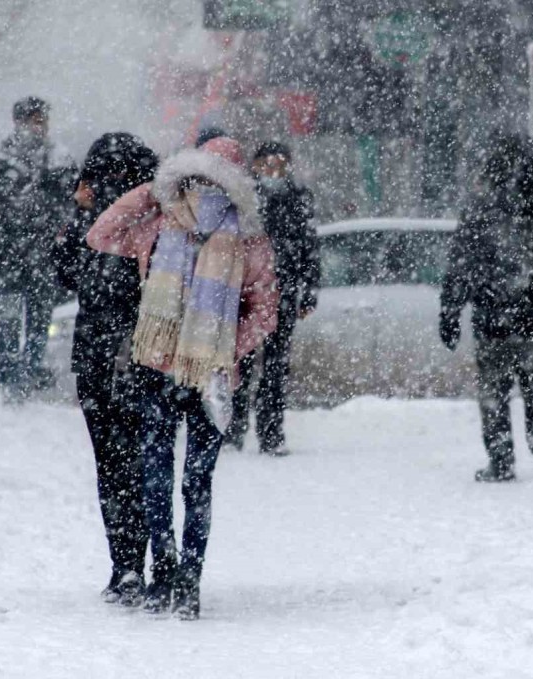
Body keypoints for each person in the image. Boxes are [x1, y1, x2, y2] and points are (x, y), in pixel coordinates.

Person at [87, 136, 279, 620]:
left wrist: (218, 349)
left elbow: (103, 232)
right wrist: (223, 350)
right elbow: (101, 234)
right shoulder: (179, 224)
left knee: (165, 476)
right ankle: (183, 577)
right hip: (188, 374)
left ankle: (172, 575)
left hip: (177, 372)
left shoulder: (174, 225)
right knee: (191, 481)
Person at [51, 133, 159, 606]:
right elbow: (65, 273)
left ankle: (128, 563)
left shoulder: (111, 223)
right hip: (138, 354)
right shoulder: (154, 218)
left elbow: (64, 274)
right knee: (138, 462)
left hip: (109, 354)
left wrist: (78, 213)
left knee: (115, 465)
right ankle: (145, 561)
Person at [439, 134, 533, 483]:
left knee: (494, 394)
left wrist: (450, 311)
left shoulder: (480, 211)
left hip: (493, 318)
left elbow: (460, 266)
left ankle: (500, 459)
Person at [0, 96, 78, 400]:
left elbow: (73, 200)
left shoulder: (58, 157)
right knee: (11, 317)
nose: (39, 127)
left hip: (41, 254)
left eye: (42, 120)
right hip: (7, 253)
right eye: (34, 120)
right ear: (19, 122)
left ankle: (28, 370)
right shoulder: (0, 158)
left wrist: (62, 222)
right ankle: (11, 373)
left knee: (39, 320)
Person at [224, 141, 319, 456]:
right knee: (242, 363)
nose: (273, 172)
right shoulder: (244, 199)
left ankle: (271, 433)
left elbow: (310, 247)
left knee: (276, 368)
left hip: (284, 292)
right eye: (267, 165)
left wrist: (308, 292)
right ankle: (234, 428)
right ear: (255, 166)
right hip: (248, 294)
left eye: (280, 165)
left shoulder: (298, 199)